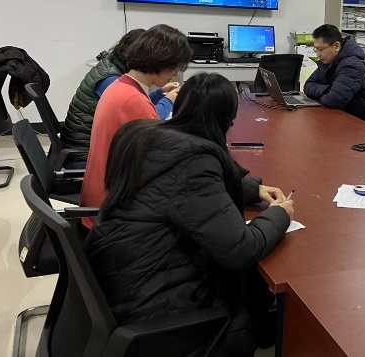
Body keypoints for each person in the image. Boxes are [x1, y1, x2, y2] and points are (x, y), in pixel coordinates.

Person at [86, 73, 293, 357]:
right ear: (226, 120)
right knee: (257, 303)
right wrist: (280, 215)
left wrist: (251, 189)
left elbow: (177, 190)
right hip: (158, 311)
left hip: (124, 278)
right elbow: (240, 248)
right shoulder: (194, 162)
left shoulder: (145, 136)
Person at [79, 24, 192, 226]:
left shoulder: (120, 85)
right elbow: (160, 156)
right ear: (160, 60)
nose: (176, 72)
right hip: (112, 211)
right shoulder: (133, 101)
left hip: (102, 195)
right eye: (174, 65)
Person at [60, 28, 180, 150]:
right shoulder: (110, 80)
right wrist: (168, 101)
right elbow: (145, 118)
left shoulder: (111, 68)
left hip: (85, 141)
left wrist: (160, 92)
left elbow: (139, 106)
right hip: (82, 147)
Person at [304, 24, 365, 123]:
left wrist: (328, 92)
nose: (318, 55)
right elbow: (308, 85)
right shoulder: (328, 62)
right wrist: (329, 89)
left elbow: (333, 100)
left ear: (336, 46)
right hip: (350, 115)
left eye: (321, 50)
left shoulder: (351, 65)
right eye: (316, 49)